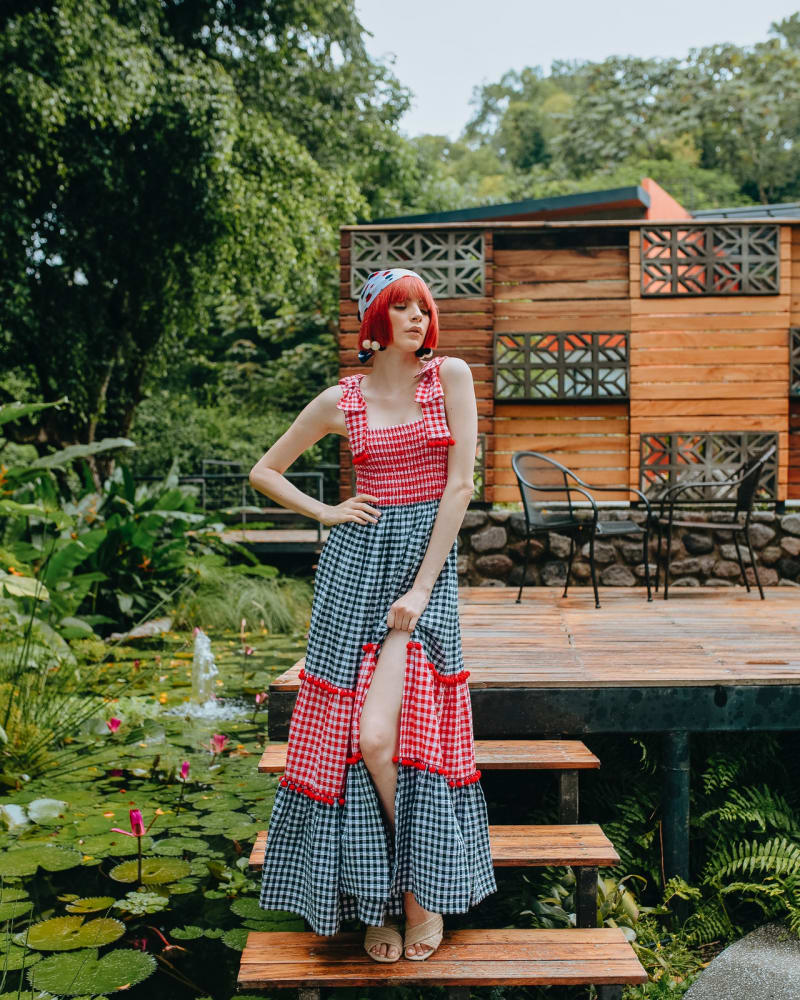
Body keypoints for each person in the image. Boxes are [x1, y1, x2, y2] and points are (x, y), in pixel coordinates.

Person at [249, 267, 496, 963]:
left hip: (419, 575)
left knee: (385, 738)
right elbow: (265, 470)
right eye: (403, 308)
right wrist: (327, 511)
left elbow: (459, 487)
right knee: (349, 745)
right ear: (375, 321)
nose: (419, 319)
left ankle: (420, 896)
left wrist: (421, 589)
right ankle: (378, 900)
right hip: (352, 574)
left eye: (424, 308)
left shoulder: (448, 378)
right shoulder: (341, 400)